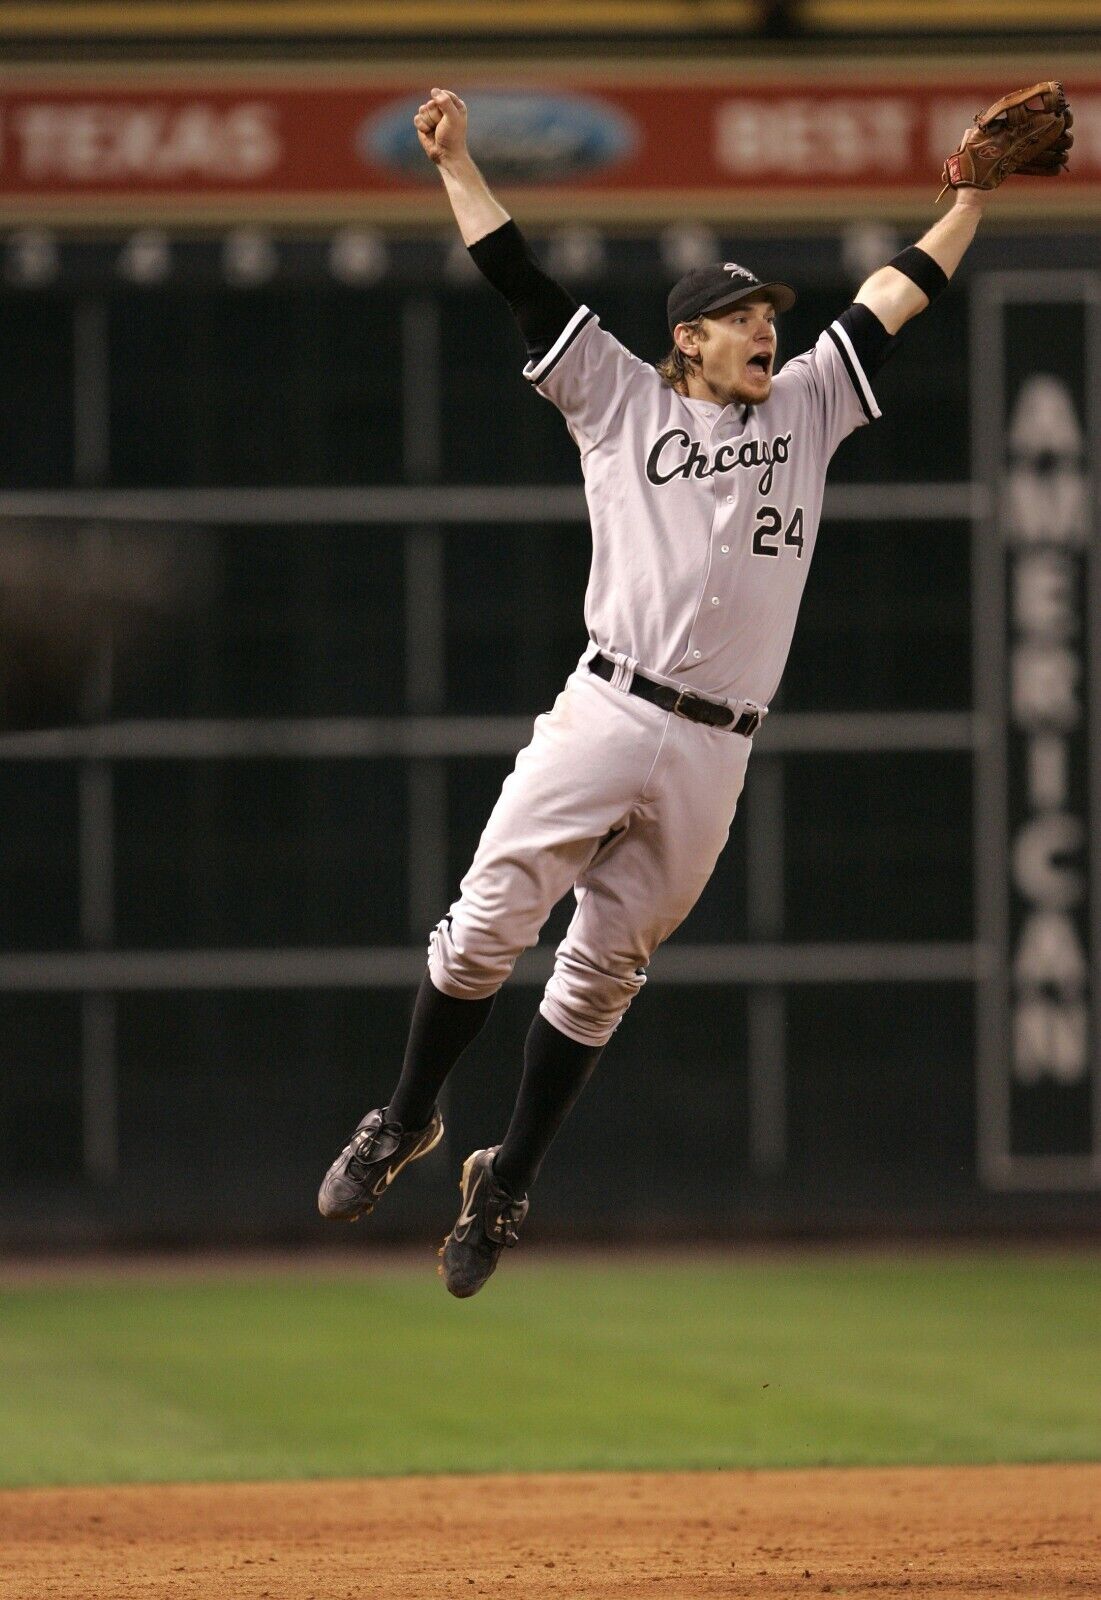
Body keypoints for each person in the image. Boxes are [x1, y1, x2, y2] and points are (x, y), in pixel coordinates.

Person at [319, 85, 993, 1298]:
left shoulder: (808, 407)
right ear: (689, 337)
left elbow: (895, 294)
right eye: (743, 317)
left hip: (717, 750)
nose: (766, 331)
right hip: (609, 704)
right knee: (483, 929)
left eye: (768, 316)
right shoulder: (617, 398)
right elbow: (515, 272)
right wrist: (458, 160)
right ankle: (404, 1114)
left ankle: (506, 1181)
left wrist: (969, 200)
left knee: (606, 971)